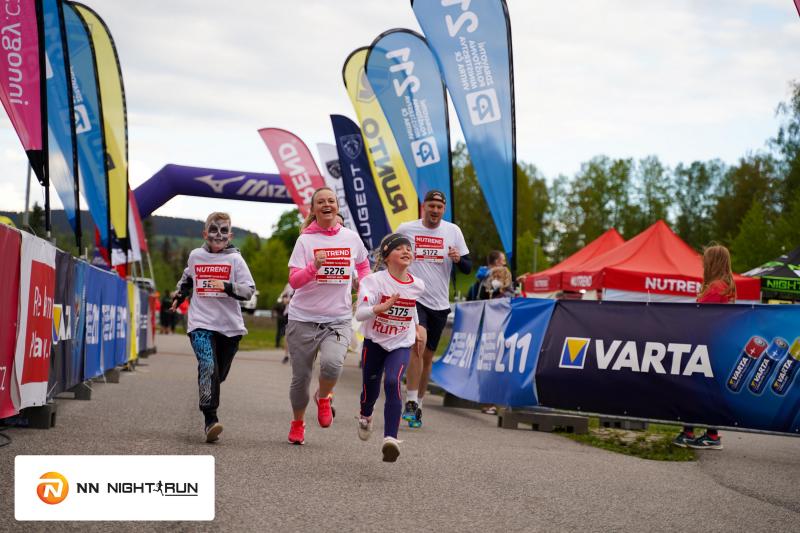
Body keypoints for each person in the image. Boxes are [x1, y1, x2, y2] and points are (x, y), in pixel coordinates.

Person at [285, 187, 370, 445]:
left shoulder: (351, 238)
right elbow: (294, 281)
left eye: (331, 201)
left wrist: (364, 286)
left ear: (336, 206)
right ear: (313, 209)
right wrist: (314, 266)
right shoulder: (305, 241)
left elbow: (364, 265)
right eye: (321, 201)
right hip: (303, 318)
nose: (327, 204)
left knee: (333, 364)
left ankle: (323, 397)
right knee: (301, 379)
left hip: (338, 317)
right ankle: (298, 423)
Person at [172, 212, 256, 443]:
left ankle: (208, 385)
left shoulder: (236, 260)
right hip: (200, 322)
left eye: (223, 231)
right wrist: (179, 296)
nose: (218, 235)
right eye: (213, 230)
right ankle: (210, 419)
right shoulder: (196, 256)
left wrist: (226, 286)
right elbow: (188, 278)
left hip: (230, 327)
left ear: (230, 235)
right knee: (208, 365)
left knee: (218, 373)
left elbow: (249, 291)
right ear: (204, 233)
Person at [397, 190, 472, 428]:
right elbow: (390, 253)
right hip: (415, 297)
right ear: (424, 207)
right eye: (431, 206)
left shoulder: (453, 231)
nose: (435, 211)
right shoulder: (406, 229)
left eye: (439, 207)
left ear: (444, 209)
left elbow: (468, 267)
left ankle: (418, 404)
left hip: (439, 303)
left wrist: (458, 259)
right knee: (418, 343)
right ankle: (410, 401)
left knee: (428, 357)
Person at [354, 233, 427, 462]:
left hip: (401, 343)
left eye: (409, 248)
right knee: (370, 390)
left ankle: (390, 440)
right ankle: (366, 415)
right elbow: (360, 313)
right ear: (386, 257)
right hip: (375, 342)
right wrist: (380, 307)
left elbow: (410, 307)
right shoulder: (373, 281)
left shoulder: (417, 284)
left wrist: (417, 327)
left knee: (393, 381)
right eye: (399, 248)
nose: (406, 251)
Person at [672, 244, 735, 451]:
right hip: (714, 345)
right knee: (706, 391)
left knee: (693, 389)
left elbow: (702, 316)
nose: (703, 265)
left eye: (706, 261)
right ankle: (709, 434)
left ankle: (692, 433)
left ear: (713, 263)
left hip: (706, 345)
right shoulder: (725, 286)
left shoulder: (716, 287)